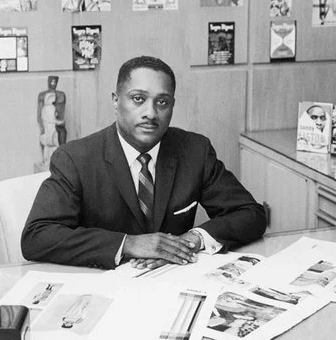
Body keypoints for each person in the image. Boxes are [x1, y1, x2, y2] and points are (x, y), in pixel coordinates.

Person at [22, 56, 267, 270]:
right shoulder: (75, 158)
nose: (150, 113)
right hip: (104, 288)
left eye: (162, 102)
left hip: (172, 282)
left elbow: (250, 214)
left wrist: (190, 241)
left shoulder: (195, 151)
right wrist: (129, 243)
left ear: (172, 106)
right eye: (138, 99)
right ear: (116, 101)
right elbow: (37, 237)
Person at [37, 75, 67, 147]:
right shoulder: (46, 107)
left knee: (60, 139)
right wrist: (43, 129)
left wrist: (60, 122)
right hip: (48, 128)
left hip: (56, 127)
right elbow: (41, 116)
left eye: (55, 82)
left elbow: (61, 113)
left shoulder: (60, 95)